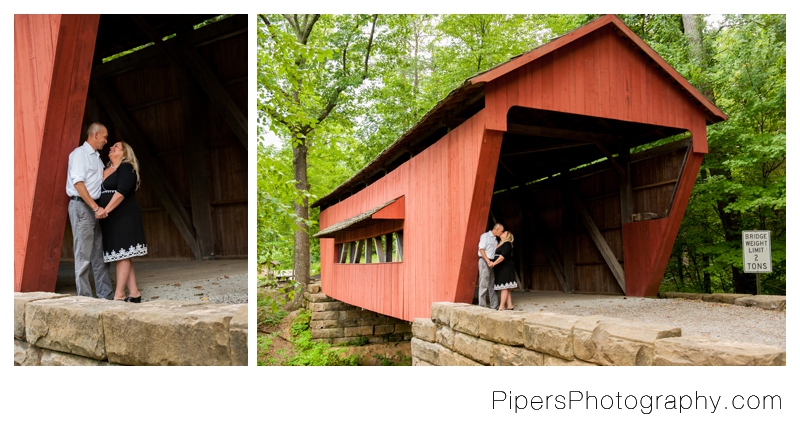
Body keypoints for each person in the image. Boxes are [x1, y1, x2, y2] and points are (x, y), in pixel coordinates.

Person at [96, 141, 148, 302]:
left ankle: (119, 295)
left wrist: (106, 210)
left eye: (116, 146)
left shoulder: (126, 167)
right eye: (111, 146)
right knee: (123, 254)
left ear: (125, 153)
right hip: (110, 217)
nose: (111, 148)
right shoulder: (105, 169)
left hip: (124, 214)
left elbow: (121, 192)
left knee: (123, 253)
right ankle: (134, 293)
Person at [66, 122, 114, 299]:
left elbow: (101, 180)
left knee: (99, 255)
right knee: (83, 256)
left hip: (94, 208)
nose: (106, 141)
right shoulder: (79, 154)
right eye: (104, 137)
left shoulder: (96, 157)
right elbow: (78, 183)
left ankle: (106, 296)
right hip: (83, 207)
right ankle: (85, 300)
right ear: (95, 135)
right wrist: (95, 207)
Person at [478, 223, 503, 309]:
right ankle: (482, 306)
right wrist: (488, 261)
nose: (501, 233)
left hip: (491, 263)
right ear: (496, 229)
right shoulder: (485, 236)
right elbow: (481, 249)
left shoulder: (495, 240)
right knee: (484, 284)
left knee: (492, 285)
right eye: (501, 231)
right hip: (485, 261)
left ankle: (494, 306)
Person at [492, 231, 517, 311]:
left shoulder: (507, 244)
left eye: (504, 233)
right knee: (506, 286)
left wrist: (494, 263)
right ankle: (510, 306)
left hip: (506, 267)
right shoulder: (500, 243)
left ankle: (501, 306)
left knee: (504, 287)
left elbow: (503, 256)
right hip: (501, 267)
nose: (502, 233)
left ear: (507, 236)